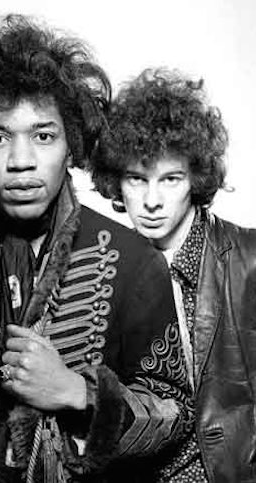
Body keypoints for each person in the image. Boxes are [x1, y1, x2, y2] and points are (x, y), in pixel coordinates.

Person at [0, 15, 192, 483]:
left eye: (43, 136)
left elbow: (176, 413)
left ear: (71, 144)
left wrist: (76, 392)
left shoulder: (135, 262)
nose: (21, 161)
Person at [91, 67, 256, 482]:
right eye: (136, 179)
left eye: (170, 179)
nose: (151, 201)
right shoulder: (104, 269)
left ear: (195, 179)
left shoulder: (249, 260)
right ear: (116, 181)